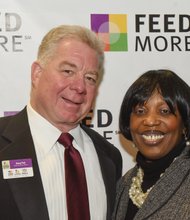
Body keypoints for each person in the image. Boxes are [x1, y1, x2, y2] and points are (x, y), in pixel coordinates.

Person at [0, 24, 122, 220]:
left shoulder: (109, 157)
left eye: (90, 78)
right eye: (68, 71)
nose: (80, 87)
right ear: (37, 73)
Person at [112, 69, 190, 220]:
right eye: (140, 111)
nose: (150, 121)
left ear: (184, 124)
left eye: (164, 111)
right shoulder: (124, 183)